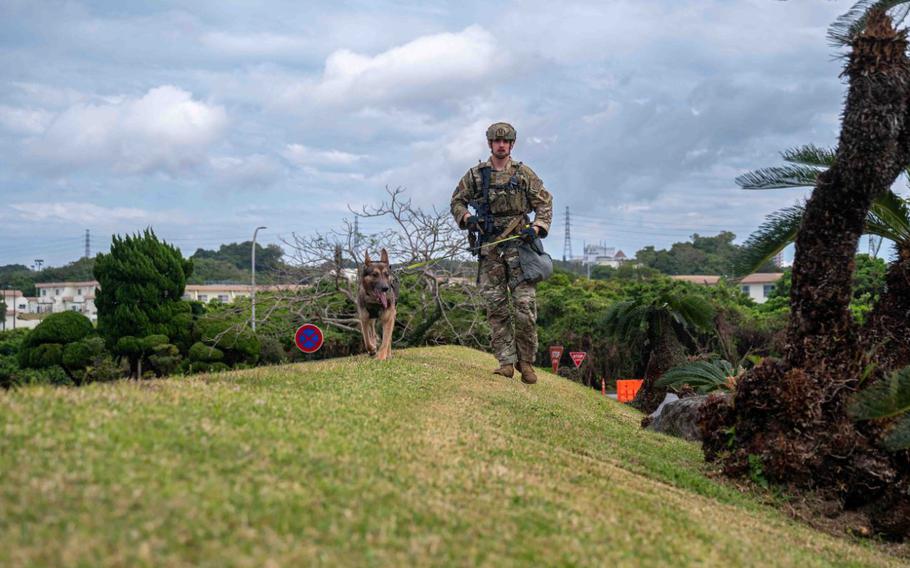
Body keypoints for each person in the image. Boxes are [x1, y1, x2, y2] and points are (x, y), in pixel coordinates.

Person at [450, 122, 553, 384]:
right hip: (491, 250)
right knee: (496, 308)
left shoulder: (523, 174)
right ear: (489, 144)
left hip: (520, 250)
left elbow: (545, 202)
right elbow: (457, 201)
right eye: (497, 141)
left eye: (506, 141)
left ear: (512, 144)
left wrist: (537, 227)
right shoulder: (476, 175)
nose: (501, 145)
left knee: (525, 308)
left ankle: (526, 363)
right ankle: (506, 362)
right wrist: (467, 218)